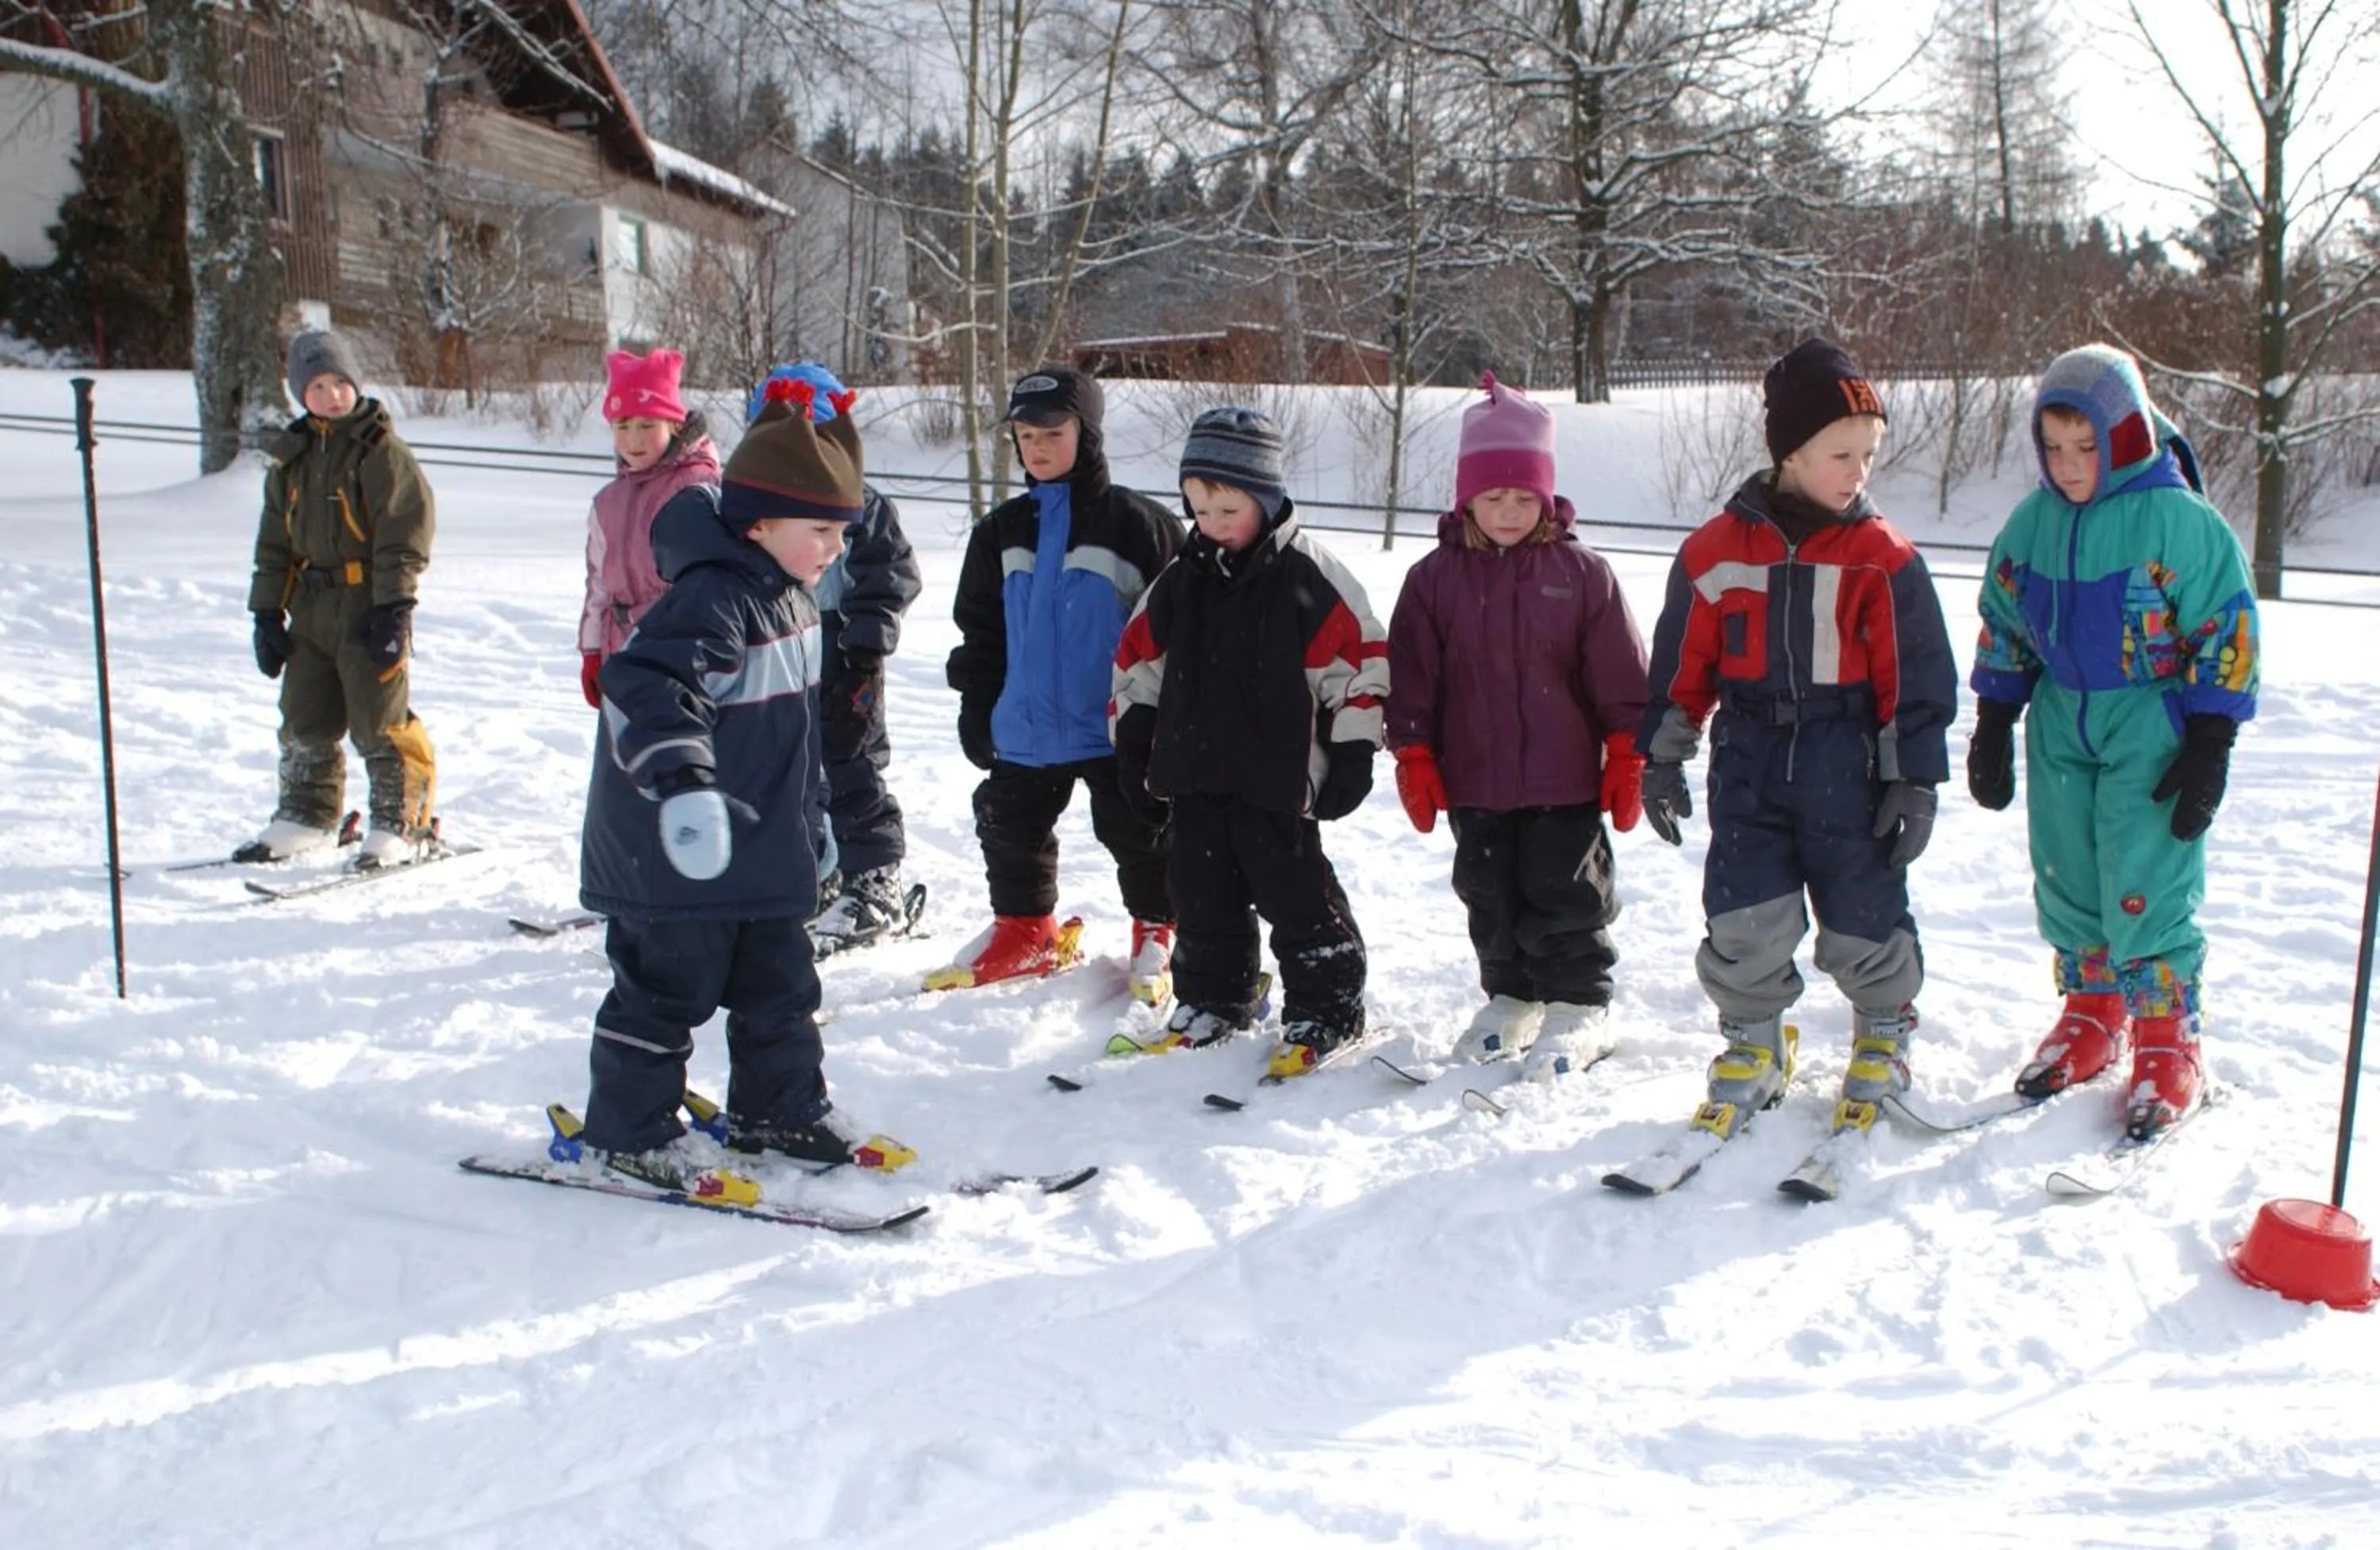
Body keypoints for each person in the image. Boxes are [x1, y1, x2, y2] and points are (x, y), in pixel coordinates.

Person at [1637, 338, 1957, 1143]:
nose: (1859, 472)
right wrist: (1664, 754)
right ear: (1789, 451)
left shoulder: (1881, 558)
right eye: (1840, 453)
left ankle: (1883, 1022)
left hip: (1847, 761)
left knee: (1862, 906)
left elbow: (1914, 681)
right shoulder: (1714, 552)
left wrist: (1913, 778)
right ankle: (1755, 1039)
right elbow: (1682, 662)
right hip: (1748, 761)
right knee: (1746, 905)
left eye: (1869, 454)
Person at [575, 372, 881, 1186]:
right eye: (822, 531)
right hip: (673, 851)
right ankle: (629, 1128)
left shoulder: (793, 601)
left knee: (781, 989)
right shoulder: (713, 599)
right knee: (662, 994)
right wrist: (683, 784)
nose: (835, 550)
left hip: (760, 850)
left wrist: (811, 823)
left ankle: (776, 1108)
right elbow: (645, 686)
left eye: (842, 533)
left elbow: (791, 738)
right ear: (762, 523)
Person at [1967, 343, 2258, 1141]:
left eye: (2086, 447)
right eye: (2053, 448)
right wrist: (1996, 717)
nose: (2067, 467)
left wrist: (2211, 740)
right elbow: (2005, 617)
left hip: (2151, 721)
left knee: (2146, 874)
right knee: (2068, 869)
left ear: (2126, 435)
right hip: (2061, 720)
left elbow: (2226, 627)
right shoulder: (2033, 523)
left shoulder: (2180, 523)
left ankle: (2168, 1034)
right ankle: (2093, 1009)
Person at [1386, 372, 1651, 1082]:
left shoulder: (1581, 574)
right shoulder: (1432, 579)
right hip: (1474, 776)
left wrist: (1627, 751)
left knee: (1563, 890)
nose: (1508, 511)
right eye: (1493, 497)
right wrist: (1413, 751)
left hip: (1562, 778)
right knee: (1488, 890)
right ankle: (1510, 994)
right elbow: (1412, 674)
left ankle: (1577, 1002)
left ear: (1547, 495)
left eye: (1523, 497)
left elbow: (1621, 674)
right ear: (1467, 497)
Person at [1110, 408, 1387, 1073]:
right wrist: (1136, 739)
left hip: (1277, 779)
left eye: (1228, 508)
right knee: (1201, 894)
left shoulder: (1307, 579)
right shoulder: (1182, 580)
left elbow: (1360, 669)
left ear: (1264, 499)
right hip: (1195, 774)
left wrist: (1352, 751)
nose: (1212, 524)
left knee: (1297, 896)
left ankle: (1328, 1007)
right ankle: (1214, 999)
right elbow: (1136, 663)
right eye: (1199, 510)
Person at [937, 366, 1185, 996]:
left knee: (1141, 831)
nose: (1037, 446)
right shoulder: (999, 532)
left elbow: (1177, 633)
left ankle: (1159, 927)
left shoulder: (1139, 525)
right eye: (1024, 435)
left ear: (1089, 433)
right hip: (1024, 725)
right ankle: (1026, 931)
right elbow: (981, 630)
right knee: (1008, 826)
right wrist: (979, 705)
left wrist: (1165, 718)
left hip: (1114, 725)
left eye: (1052, 431)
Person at [242, 329, 438, 869]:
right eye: (318, 386)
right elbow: (274, 544)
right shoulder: (292, 460)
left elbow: (406, 534)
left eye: (340, 383)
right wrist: (266, 611)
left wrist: (394, 609)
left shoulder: (380, 452)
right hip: (310, 606)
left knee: (379, 717)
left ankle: (402, 821)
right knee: (305, 713)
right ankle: (306, 814)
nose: (331, 396)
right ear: (300, 394)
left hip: (366, 603)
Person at [746, 364, 925, 953]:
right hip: (783, 651)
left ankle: (875, 879)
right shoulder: (762, 513)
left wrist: (866, 641)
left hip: (845, 652)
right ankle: (816, 874)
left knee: (850, 765)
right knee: (792, 770)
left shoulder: (862, 507)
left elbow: (892, 573)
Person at [578, 347, 720, 708]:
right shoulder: (608, 502)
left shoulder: (698, 489)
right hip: (620, 653)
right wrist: (593, 651)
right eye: (622, 426)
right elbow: (598, 585)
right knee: (627, 760)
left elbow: (717, 586)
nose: (633, 440)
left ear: (674, 425)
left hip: (680, 657)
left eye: (647, 425)